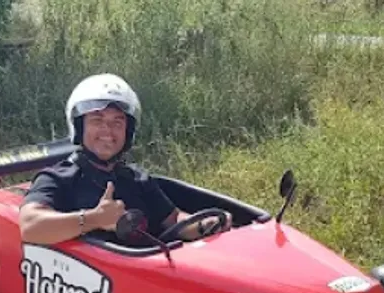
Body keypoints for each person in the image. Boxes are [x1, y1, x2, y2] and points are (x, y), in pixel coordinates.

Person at [18, 73, 232, 247]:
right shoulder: (57, 178)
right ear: (79, 126)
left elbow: (173, 220)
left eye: (117, 122)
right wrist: (94, 219)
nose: (107, 131)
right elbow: (30, 225)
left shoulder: (137, 179)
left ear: (127, 132)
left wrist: (204, 224)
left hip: (145, 278)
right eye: (97, 120)